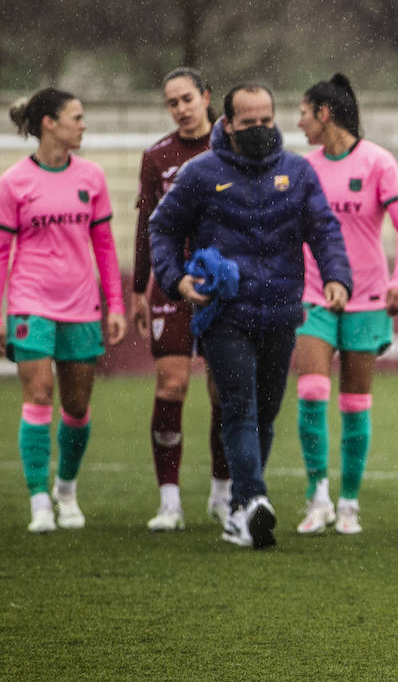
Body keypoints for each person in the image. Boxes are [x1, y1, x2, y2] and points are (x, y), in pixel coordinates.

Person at [150, 82, 352, 549]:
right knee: (238, 406)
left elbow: (324, 230)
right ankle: (253, 499)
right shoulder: (201, 173)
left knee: (266, 413)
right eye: (249, 123)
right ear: (228, 124)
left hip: (282, 311)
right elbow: (162, 227)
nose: (260, 129)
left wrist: (337, 276)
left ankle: (242, 512)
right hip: (225, 313)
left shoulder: (298, 173)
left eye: (266, 120)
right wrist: (176, 279)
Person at [293, 73, 398, 535]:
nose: (299, 122)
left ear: (325, 114)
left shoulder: (378, 162)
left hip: (367, 298)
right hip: (313, 294)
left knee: (354, 402)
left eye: (304, 113)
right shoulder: (304, 168)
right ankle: (318, 496)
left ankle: (348, 503)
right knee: (310, 391)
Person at [1, 88, 127, 533]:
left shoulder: (91, 177)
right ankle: (38, 499)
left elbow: (105, 246)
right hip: (29, 302)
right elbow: (1, 251)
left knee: (76, 405)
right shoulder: (14, 181)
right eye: (77, 117)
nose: (84, 124)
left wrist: (115, 304)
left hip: (80, 303)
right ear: (50, 123)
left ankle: (66, 489)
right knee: (38, 395)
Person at [132, 67, 231, 531]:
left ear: (206, 97)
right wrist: (138, 288)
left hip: (221, 285)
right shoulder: (157, 156)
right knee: (171, 385)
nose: (181, 109)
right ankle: (169, 502)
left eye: (187, 98)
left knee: (224, 393)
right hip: (173, 282)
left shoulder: (231, 146)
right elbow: (145, 226)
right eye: (172, 102)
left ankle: (222, 493)